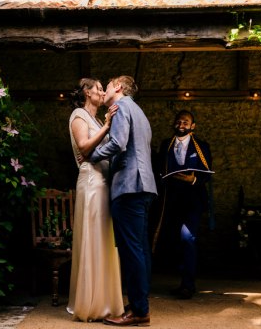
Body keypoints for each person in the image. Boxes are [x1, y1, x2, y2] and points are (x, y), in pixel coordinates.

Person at [87, 75, 157, 327]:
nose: (104, 91)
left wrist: (92, 156)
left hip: (129, 187)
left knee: (131, 251)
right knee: (140, 250)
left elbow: (118, 142)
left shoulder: (121, 108)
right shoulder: (138, 111)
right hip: (144, 186)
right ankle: (140, 304)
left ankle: (139, 312)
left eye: (107, 86)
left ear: (118, 87)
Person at [67, 78, 124, 322]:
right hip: (90, 183)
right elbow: (84, 148)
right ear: (87, 93)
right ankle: (90, 304)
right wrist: (109, 125)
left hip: (103, 182)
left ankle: (105, 300)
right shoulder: (78, 115)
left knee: (103, 240)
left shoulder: (97, 120)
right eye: (99, 89)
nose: (102, 93)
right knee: (92, 239)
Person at [155, 110, 213, 299]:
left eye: (186, 122)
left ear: (192, 126)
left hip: (193, 200)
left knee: (188, 239)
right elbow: (159, 168)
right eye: (178, 121)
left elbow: (207, 172)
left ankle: (188, 284)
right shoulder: (166, 145)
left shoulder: (202, 146)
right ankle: (179, 281)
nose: (181, 124)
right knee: (173, 240)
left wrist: (193, 179)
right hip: (170, 201)